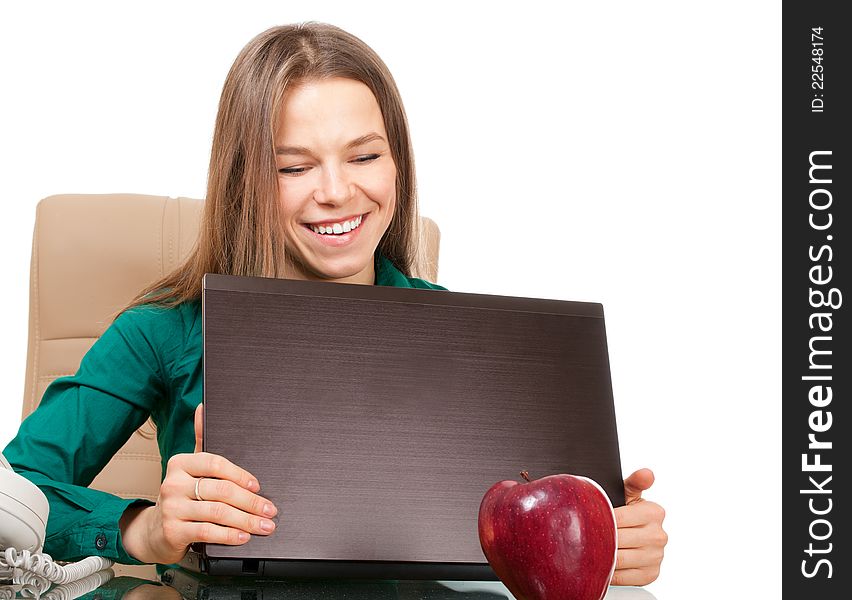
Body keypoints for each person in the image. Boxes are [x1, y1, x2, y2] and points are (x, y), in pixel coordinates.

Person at [3, 22, 667, 586]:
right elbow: (15, 491)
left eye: (365, 156)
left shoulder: (465, 333)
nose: (337, 192)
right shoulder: (164, 329)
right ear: (245, 181)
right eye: (293, 167)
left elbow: (513, 529)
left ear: (397, 166)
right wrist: (142, 527)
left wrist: (606, 538)